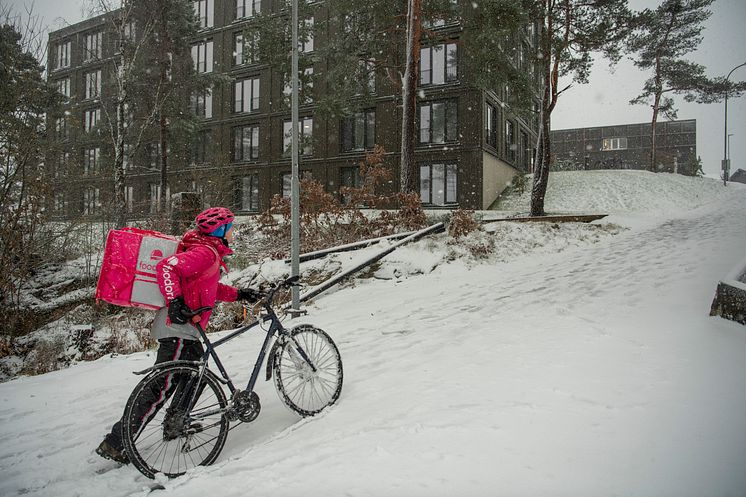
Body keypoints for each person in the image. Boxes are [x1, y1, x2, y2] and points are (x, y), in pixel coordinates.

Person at [96, 207, 261, 463]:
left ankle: (175, 423)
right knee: (159, 387)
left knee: (196, 378)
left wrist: (238, 294)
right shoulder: (206, 253)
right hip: (177, 327)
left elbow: (207, 287)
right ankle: (117, 443)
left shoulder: (207, 253)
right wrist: (175, 301)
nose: (233, 233)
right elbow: (166, 267)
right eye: (230, 228)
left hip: (187, 330)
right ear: (221, 230)